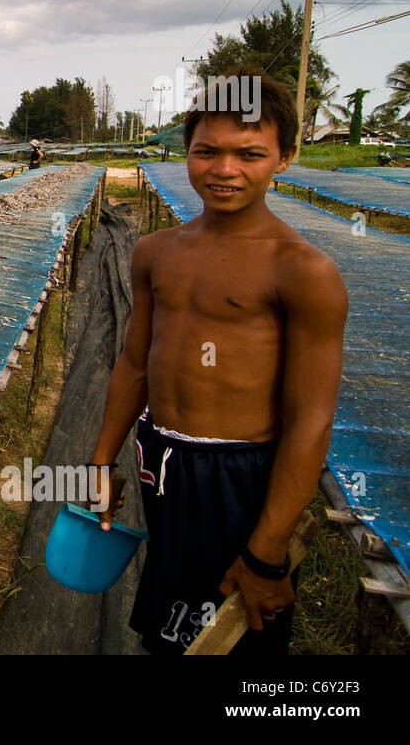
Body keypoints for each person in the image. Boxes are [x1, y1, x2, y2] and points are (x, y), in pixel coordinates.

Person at [88, 69, 347, 655]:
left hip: (239, 476)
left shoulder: (304, 272)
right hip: (162, 456)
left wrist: (268, 549)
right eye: (207, 152)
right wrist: (101, 459)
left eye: (249, 154)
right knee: (170, 619)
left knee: (238, 628)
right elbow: (134, 363)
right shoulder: (156, 253)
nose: (225, 169)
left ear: (285, 157)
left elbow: (311, 419)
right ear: (187, 153)